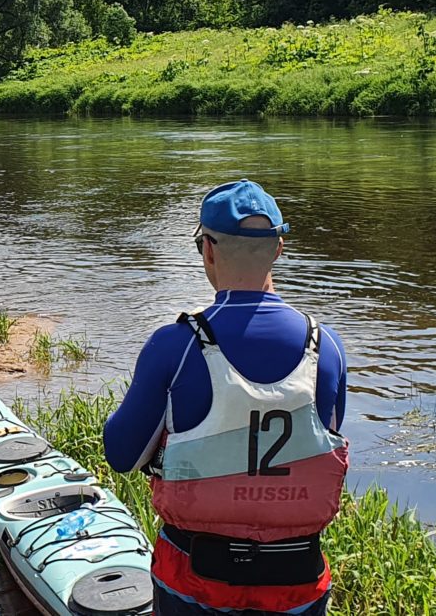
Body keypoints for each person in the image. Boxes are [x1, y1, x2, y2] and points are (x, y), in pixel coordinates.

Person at [101, 180, 349, 616]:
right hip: (296, 582)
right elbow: (322, 439)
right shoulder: (325, 346)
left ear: (208, 250)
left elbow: (121, 455)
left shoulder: (173, 345)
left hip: (195, 580)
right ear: (279, 248)